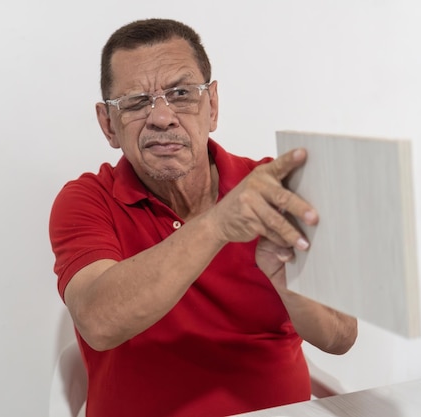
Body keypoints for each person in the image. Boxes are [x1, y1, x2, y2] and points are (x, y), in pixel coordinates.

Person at [49, 18, 357, 417]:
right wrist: (217, 224)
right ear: (108, 124)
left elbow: (342, 337)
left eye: (181, 94)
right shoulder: (88, 199)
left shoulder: (275, 191)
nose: (161, 118)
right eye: (136, 102)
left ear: (212, 105)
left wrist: (290, 286)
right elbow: (98, 321)